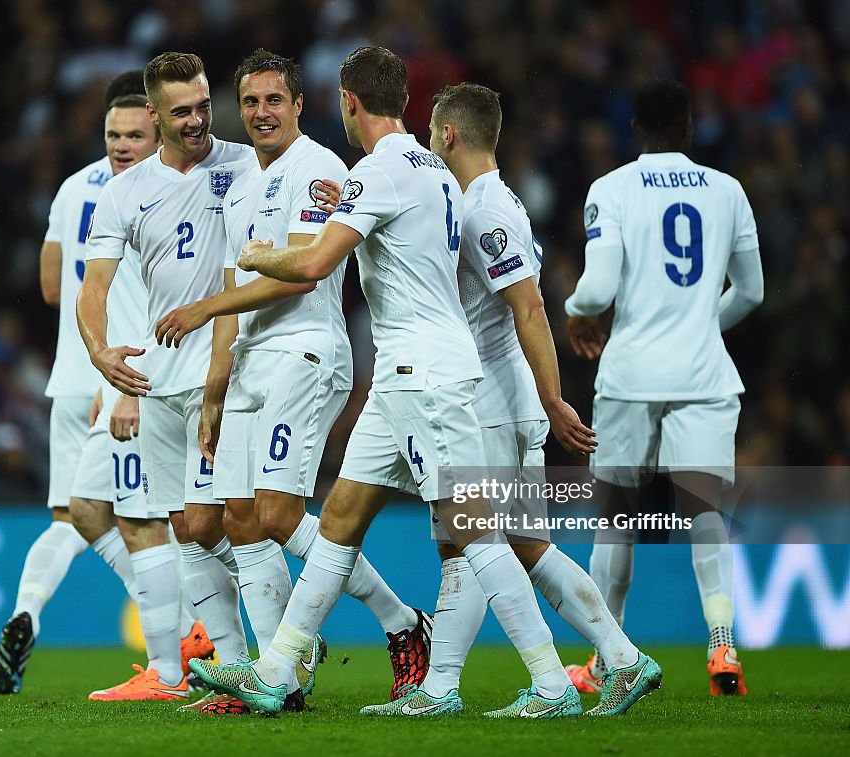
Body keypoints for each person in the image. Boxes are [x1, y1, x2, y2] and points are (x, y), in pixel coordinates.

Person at [190, 46, 604, 718]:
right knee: (340, 523)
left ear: (348, 102)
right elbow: (389, 224)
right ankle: (275, 668)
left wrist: (258, 252)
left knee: (475, 531)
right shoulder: (433, 169)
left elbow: (318, 262)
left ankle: (552, 683)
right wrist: (347, 196)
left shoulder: (378, 172)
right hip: (402, 373)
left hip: (423, 374)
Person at [359, 83, 661, 718]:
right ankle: (622, 658)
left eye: (432, 135)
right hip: (498, 393)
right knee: (520, 542)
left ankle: (443, 688)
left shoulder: (485, 211)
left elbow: (529, 307)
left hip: (492, 397)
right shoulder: (477, 201)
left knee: (469, 542)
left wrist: (554, 400)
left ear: (447, 136)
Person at [157, 49, 431, 714]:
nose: (261, 113)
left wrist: (203, 310)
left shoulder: (319, 171)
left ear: (299, 104)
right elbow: (232, 280)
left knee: (279, 514)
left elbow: (301, 272)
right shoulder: (238, 182)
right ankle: (273, 679)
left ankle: (401, 619)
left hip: (306, 353)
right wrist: (215, 388)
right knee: (240, 521)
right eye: (250, 103)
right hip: (251, 363)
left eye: (273, 100)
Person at [77, 51, 274, 703]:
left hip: (229, 372)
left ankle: (281, 654)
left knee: (228, 519)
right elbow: (93, 287)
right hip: (156, 381)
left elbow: (246, 270)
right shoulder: (125, 193)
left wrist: (222, 367)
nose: (197, 120)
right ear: (155, 116)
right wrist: (100, 350)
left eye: (202, 105)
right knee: (185, 525)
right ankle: (237, 669)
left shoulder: (244, 164)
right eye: (181, 111)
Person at [563, 79, 763, 697]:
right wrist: (701, 324)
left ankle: (607, 660)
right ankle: (722, 645)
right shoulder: (728, 191)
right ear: (689, 126)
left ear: (634, 130)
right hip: (704, 374)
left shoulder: (612, 189)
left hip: (629, 376)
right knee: (705, 508)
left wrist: (574, 308)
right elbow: (751, 291)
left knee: (616, 519)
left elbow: (597, 292)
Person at [0, 72, 159, 696]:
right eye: (117, 133)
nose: (121, 142)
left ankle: (26, 611)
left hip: (69, 373)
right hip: (122, 375)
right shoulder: (160, 190)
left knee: (72, 517)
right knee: (151, 514)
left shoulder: (70, 189)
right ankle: (182, 632)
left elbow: (52, 288)